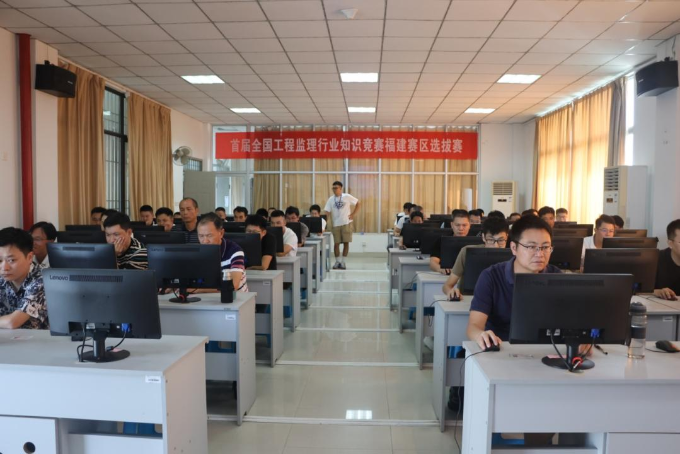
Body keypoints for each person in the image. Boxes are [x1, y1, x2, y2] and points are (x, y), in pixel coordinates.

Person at [464, 216, 562, 443]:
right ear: (514, 248)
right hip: (501, 357)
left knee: (559, 407)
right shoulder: (491, 276)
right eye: (531, 247)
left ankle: (539, 440)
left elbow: (573, 321)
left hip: (545, 357)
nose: (540, 253)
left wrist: (582, 337)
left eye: (545, 247)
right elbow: (473, 326)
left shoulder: (557, 277)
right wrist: (481, 335)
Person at [442, 217, 510, 301]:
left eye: (501, 240)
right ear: (483, 237)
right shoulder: (466, 252)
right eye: (491, 240)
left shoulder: (514, 256)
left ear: (507, 237)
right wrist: (451, 291)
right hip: (468, 300)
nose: (496, 245)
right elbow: (447, 286)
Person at [0, 227, 49, 330]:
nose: (4, 268)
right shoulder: (3, 277)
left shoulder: (42, 280)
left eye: (11, 260)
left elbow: (12, 322)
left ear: (29, 257)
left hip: (39, 339)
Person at [197, 214, 248, 292]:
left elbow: (233, 285)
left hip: (236, 298)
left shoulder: (235, 251)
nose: (205, 241)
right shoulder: (197, 252)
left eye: (209, 235)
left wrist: (197, 290)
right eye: (201, 236)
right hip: (205, 298)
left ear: (221, 233)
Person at [324, 181, 360, 270]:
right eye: (333, 188)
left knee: (346, 243)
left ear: (340, 188)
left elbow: (358, 203)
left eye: (336, 188)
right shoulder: (331, 199)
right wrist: (323, 224)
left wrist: (353, 214)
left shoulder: (346, 196)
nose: (334, 190)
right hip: (336, 224)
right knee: (336, 244)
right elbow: (327, 212)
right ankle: (337, 261)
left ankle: (343, 262)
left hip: (346, 223)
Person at [430, 209, 471, 274]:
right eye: (457, 225)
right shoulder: (442, 240)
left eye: (464, 225)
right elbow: (433, 262)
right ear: (452, 225)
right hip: (447, 275)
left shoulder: (477, 242)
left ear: (469, 225)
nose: (461, 228)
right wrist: (441, 269)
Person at [654, 219, 680, 300]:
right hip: (659, 306)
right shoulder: (655, 259)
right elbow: (640, 290)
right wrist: (657, 292)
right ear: (670, 243)